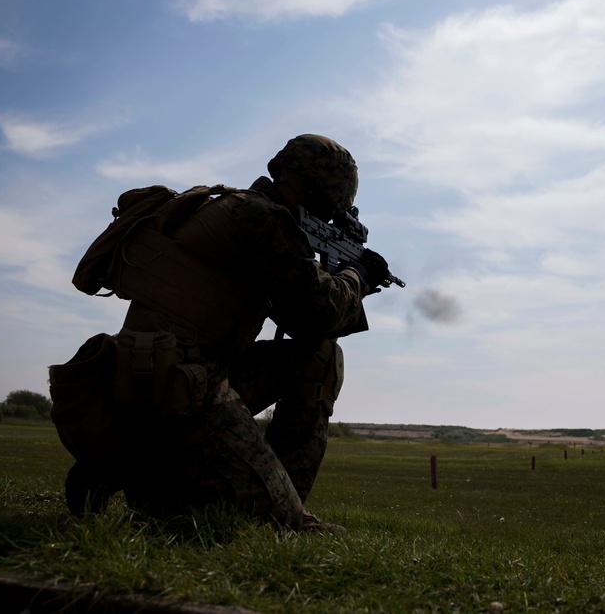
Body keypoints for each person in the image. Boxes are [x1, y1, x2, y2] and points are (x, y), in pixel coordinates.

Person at [63, 134, 390, 532]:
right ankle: (138, 467)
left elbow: (303, 324)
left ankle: (127, 462)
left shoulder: (234, 207)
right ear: (320, 189)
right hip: (181, 385)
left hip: (165, 374)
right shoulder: (263, 219)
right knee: (270, 525)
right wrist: (358, 276)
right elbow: (320, 310)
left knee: (320, 355)